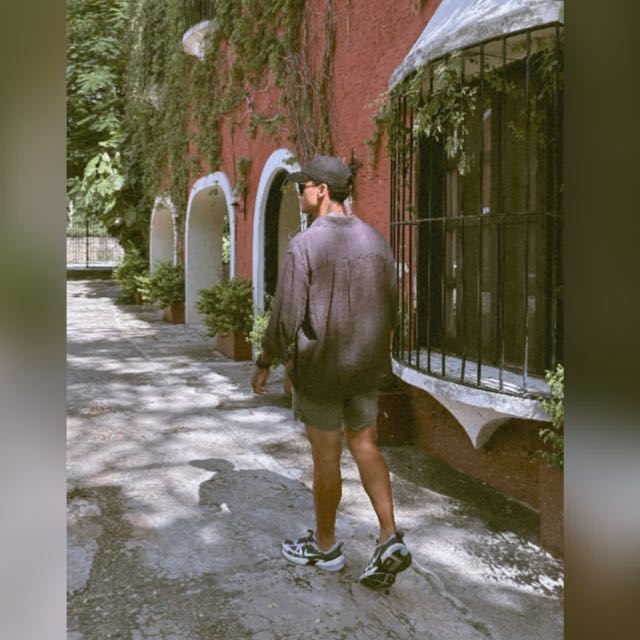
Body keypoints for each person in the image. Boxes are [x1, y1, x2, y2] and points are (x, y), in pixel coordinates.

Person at [251, 155, 412, 589]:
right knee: (365, 446)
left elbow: (286, 315)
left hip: (321, 369)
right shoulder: (376, 241)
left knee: (326, 457)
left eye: (301, 186)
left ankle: (326, 548)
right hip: (365, 369)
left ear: (322, 190)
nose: (298, 193)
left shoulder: (305, 245)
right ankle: (389, 535)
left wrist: (265, 362)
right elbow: (393, 309)